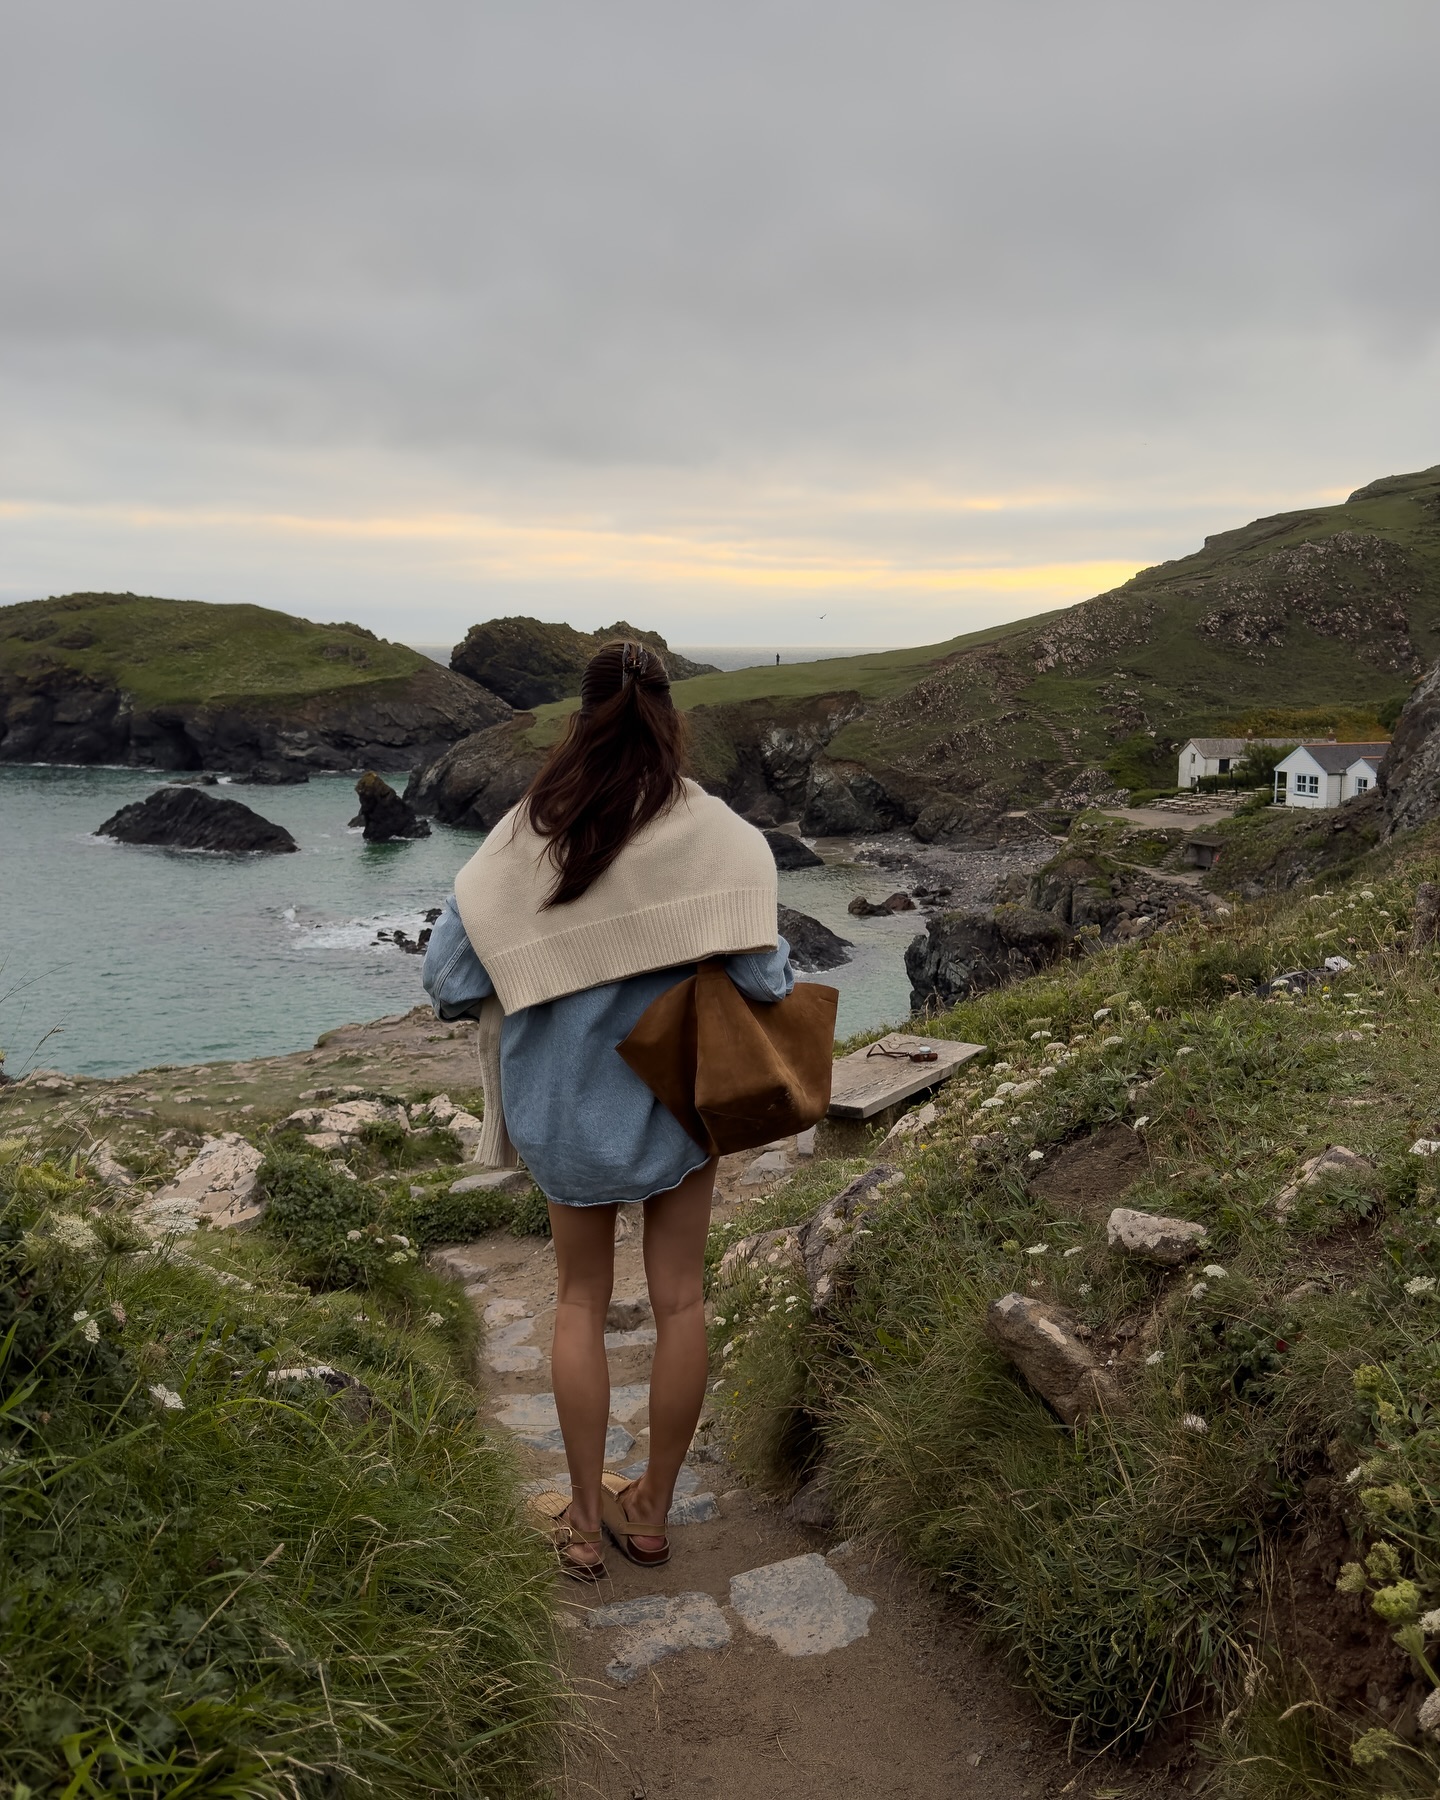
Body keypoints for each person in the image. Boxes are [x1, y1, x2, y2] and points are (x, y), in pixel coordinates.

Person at [423, 640, 793, 1580]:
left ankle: (585, 1523)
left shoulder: (527, 837)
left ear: (578, 721)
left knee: (578, 1303)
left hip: (561, 1107)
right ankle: (654, 1512)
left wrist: (556, 964)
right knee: (681, 1301)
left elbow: (448, 977)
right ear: (672, 717)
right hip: (681, 1102)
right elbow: (765, 974)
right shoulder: (723, 839)